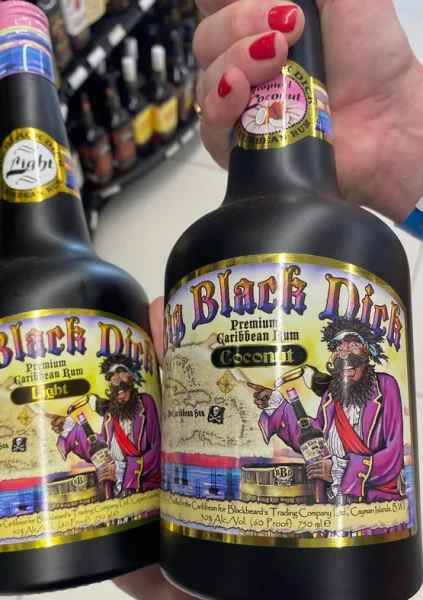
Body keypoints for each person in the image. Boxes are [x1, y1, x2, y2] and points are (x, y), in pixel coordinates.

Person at [116, 0, 423, 596]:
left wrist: (343, 469)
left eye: (354, 352)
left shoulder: (380, 388)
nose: (346, 360)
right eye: (341, 353)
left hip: (366, 509)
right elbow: (296, 428)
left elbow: (380, 453)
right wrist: (281, 412)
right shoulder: (329, 396)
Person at [251, 316, 405, 519]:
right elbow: (314, 439)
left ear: (367, 350)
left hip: (375, 503)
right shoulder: (331, 395)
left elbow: (393, 454)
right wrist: (276, 404)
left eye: (353, 345)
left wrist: (339, 471)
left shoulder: (385, 386)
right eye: (337, 347)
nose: (344, 354)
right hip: (333, 498)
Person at [51, 355, 161, 498]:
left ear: (132, 377)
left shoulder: (145, 403)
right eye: (111, 377)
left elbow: (157, 452)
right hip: (118, 492)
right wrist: (68, 427)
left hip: (144, 490)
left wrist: (122, 471)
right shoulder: (110, 415)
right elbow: (101, 450)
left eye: (121, 373)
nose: (117, 381)